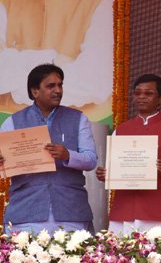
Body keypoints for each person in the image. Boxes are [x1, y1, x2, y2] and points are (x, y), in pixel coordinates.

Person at [0, 63, 97, 233]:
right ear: (34, 91)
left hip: (71, 212)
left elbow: (90, 160)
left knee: (76, 260)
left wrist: (68, 155)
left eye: (60, 85)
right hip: (26, 212)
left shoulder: (78, 119)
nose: (58, 90)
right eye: (50, 86)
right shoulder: (12, 122)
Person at [95, 74, 161, 235]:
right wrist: (106, 175)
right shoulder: (121, 130)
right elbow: (116, 174)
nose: (141, 97)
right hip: (123, 214)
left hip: (160, 215)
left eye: (148, 93)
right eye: (137, 93)